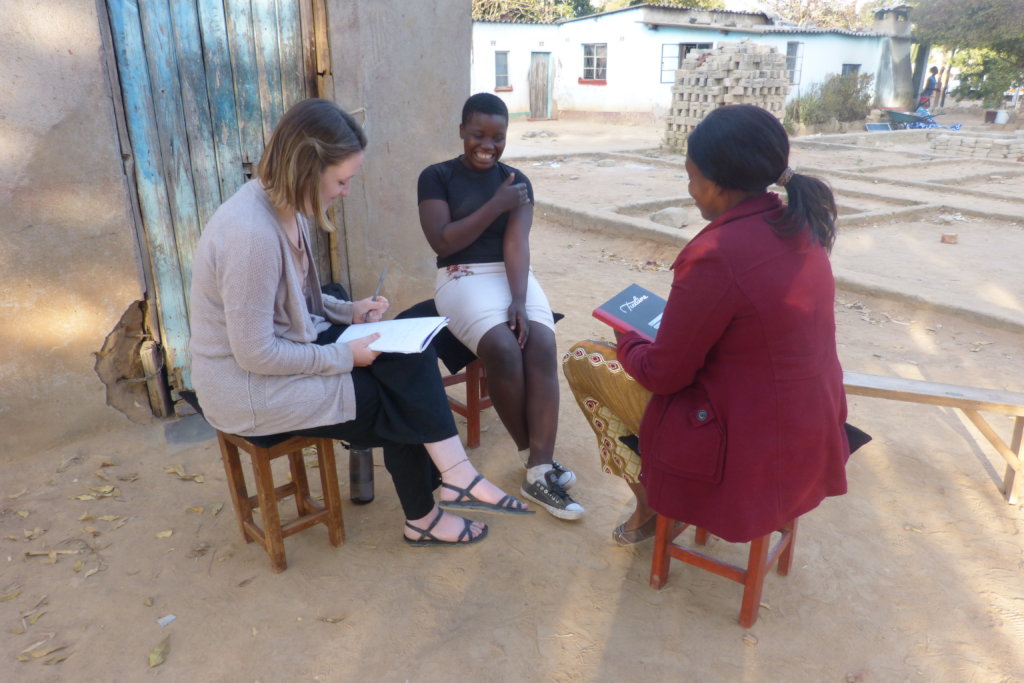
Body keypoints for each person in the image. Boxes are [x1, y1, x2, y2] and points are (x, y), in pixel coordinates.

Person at [189, 98, 533, 548]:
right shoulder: (251, 236)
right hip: (249, 389)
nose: (347, 191)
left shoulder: (284, 207)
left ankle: (455, 479)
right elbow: (255, 354)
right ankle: (432, 508)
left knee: (409, 353)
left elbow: (299, 300)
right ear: (307, 168)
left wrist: (348, 311)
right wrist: (343, 355)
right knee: (394, 395)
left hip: (291, 348)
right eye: (341, 180)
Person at [562, 104, 850, 545]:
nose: (691, 190)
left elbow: (664, 375)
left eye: (692, 176)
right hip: (810, 427)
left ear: (717, 183)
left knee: (583, 358)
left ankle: (653, 502)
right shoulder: (798, 225)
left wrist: (627, 340)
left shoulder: (717, 253)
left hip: (746, 446)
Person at [417, 93, 583, 520]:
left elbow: (516, 244)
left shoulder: (517, 181)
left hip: (510, 274)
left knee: (542, 343)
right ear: (461, 131)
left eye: (498, 137)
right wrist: (496, 205)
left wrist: (519, 300)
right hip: (461, 276)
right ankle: (536, 458)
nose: (488, 145)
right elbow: (443, 241)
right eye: (478, 135)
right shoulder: (436, 177)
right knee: (504, 349)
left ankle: (538, 470)